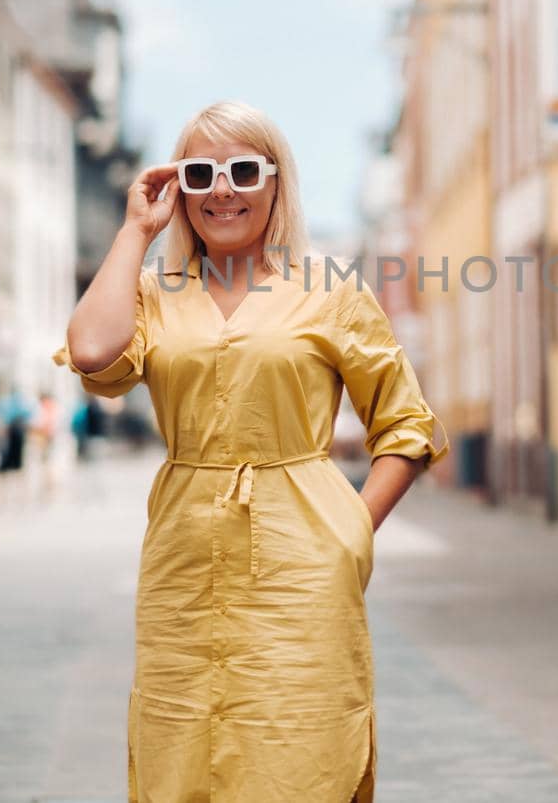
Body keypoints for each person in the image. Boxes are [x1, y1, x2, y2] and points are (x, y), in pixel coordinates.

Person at [54, 100, 445, 802]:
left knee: (300, 745)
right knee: (181, 742)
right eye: (201, 172)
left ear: (275, 183)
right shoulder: (153, 293)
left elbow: (406, 424)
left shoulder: (329, 289)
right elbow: (90, 350)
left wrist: (350, 531)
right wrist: (135, 231)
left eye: (242, 170)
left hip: (305, 565)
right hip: (183, 564)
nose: (222, 189)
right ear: (180, 187)